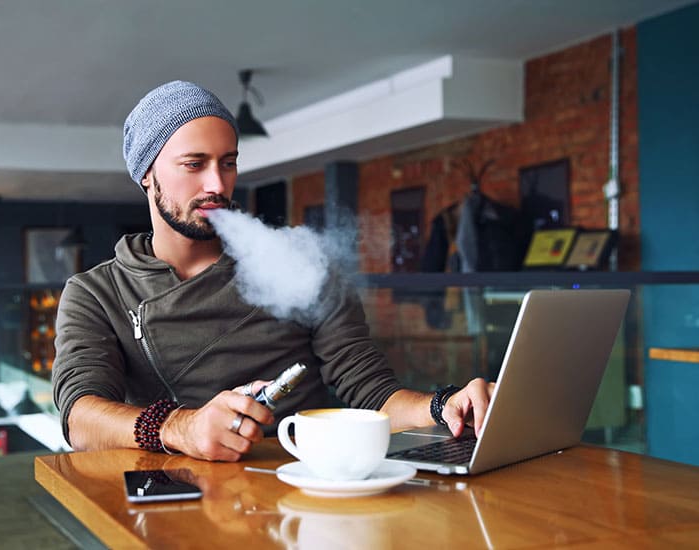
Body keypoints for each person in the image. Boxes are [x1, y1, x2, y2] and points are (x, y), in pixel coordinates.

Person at [52, 80, 495, 462]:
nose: (216, 185)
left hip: (305, 484)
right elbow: (80, 417)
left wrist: (444, 406)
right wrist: (183, 428)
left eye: (228, 163)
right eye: (194, 164)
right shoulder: (96, 292)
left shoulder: (301, 267)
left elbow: (372, 391)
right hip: (177, 495)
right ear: (147, 174)